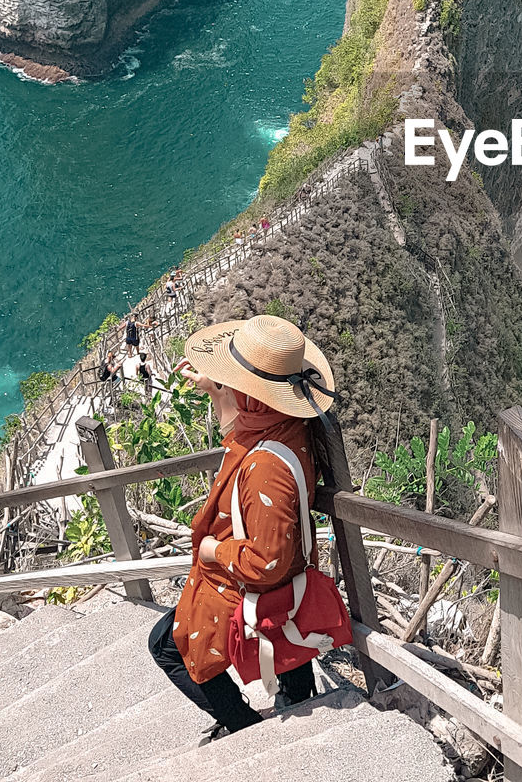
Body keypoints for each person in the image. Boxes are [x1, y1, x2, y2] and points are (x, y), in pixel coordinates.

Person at [148, 314, 338, 740]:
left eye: (233, 383)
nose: (227, 390)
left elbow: (268, 561)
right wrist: (214, 388)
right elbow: (240, 427)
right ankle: (298, 695)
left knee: (168, 646)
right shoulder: (287, 425)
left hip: (243, 582)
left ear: (253, 397)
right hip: (286, 583)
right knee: (286, 622)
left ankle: (247, 728)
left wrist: (214, 551)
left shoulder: (264, 467)